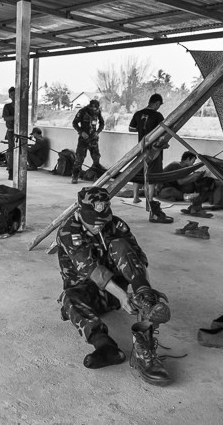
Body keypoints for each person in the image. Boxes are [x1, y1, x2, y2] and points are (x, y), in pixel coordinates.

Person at [57, 186, 173, 386]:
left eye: (102, 221)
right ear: (80, 212)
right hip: (87, 294)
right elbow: (92, 270)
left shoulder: (116, 225)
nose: (99, 226)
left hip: (115, 290)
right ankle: (106, 347)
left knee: (121, 245)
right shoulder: (68, 231)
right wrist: (122, 296)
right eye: (93, 222)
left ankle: (144, 345)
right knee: (68, 298)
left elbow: (139, 259)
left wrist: (141, 289)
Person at [129, 93, 165, 203]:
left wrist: (141, 129)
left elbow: (131, 128)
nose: (159, 107)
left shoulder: (138, 114)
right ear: (157, 103)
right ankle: (150, 199)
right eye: (159, 105)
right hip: (154, 149)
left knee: (138, 172)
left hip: (140, 148)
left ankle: (135, 197)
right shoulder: (158, 116)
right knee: (152, 175)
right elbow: (163, 132)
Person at [71, 99, 104, 184]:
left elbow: (102, 123)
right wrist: (81, 132)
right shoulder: (82, 111)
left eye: (96, 108)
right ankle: (75, 176)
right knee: (79, 158)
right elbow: (74, 123)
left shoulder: (98, 112)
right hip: (83, 139)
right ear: (90, 106)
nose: (94, 109)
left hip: (93, 139)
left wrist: (97, 132)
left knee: (96, 158)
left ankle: (96, 176)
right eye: (92, 107)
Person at [2, 87, 15, 181]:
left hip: (21, 132)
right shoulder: (7, 106)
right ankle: (11, 171)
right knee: (11, 151)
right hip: (11, 131)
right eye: (12, 94)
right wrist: (16, 116)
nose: (13, 96)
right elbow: (6, 118)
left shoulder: (21, 106)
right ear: (9, 96)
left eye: (15, 94)